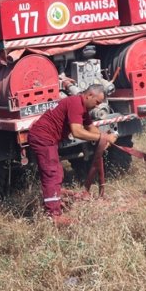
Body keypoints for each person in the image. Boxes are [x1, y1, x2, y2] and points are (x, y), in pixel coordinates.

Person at [27, 84, 118, 223]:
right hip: (42, 137)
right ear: (89, 96)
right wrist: (101, 138)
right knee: (52, 173)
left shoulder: (82, 107)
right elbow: (77, 132)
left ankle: (52, 201)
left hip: (48, 139)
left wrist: (105, 137)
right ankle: (53, 215)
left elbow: (90, 127)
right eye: (97, 102)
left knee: (56, 172)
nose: (97, 106)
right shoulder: (76, 103)